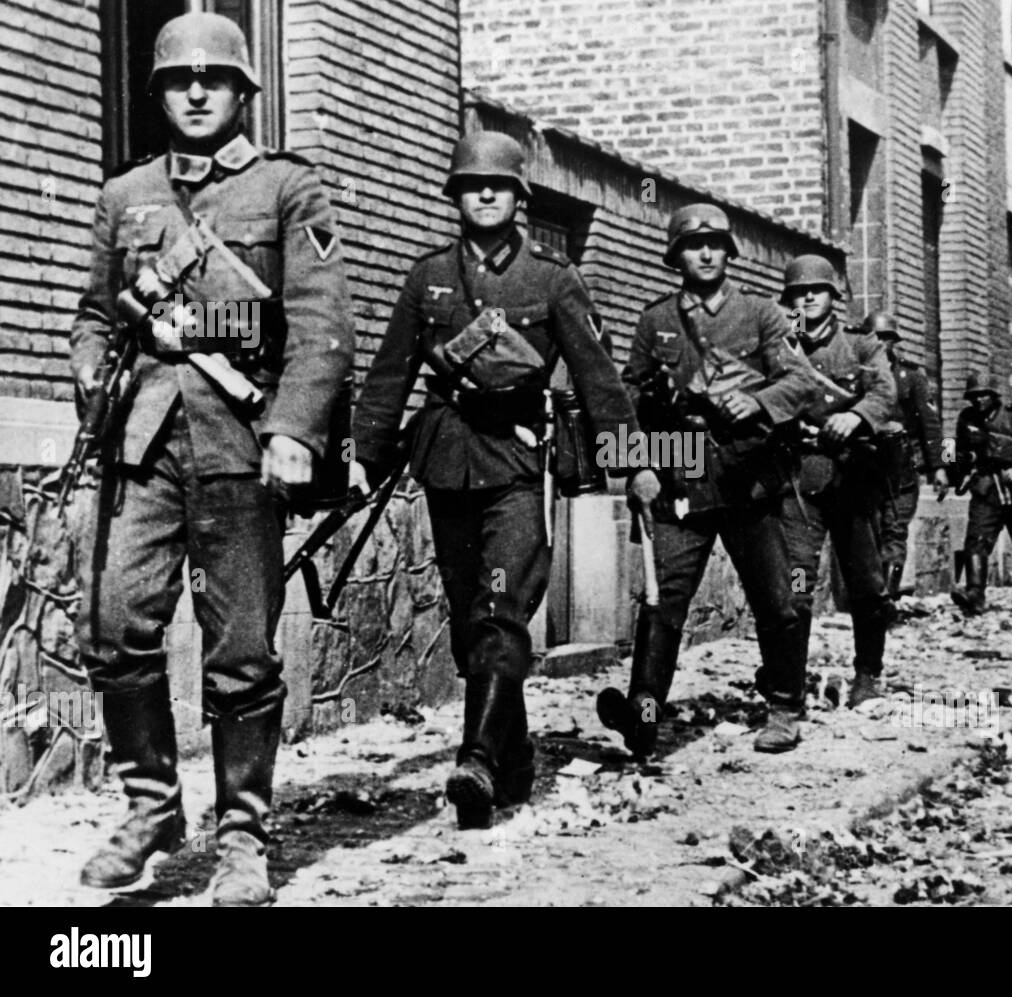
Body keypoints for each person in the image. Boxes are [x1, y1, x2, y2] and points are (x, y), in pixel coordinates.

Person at [71, 12, 354, 905]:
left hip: (243, 441)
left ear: (242, 92)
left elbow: (321, 327)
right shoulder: (126, 196)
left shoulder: (286, 191)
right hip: (144, 440)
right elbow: (92, 314)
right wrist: (88, 372)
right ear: (158, 94)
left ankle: (241, 835)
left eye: (214, 79)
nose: (196, 92)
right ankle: (153, 802)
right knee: (114, 626)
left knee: (239, 654)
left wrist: (296, 430)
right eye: (178, 80)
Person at [350, 131, 658, 828]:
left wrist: (634, 456)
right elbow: (391, 371)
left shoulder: (552, 278)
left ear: (520, 197)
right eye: (470, 184)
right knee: (470, 624)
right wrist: (364, 455)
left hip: (519, 462)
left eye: (498, 185)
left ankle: (478, 760)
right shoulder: (426, 274)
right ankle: (513, 757)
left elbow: (598, 379)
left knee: (500, 607)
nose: (484, 194)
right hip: (445, 456)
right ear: (455, 196)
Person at [595, 204, 818, 756]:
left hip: (747, 467)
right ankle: (643, 715)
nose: (706, 252)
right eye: (694, 245)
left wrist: (759, 400)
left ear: (728, 251)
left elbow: (803, 383)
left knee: (773, 597)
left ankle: (785, 708)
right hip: (682, 463)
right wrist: (636, 467)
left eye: (716, 243)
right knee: (663, 599)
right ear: (676, 256)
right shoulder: (656, 320)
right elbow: (632, 399)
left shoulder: (762, 314)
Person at [778, 255, 896, 706]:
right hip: (798, 481)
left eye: (817, 290)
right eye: (798, 292)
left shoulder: (862, 346)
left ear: (833, 297)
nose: (807, 297)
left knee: (865, 582)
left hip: (852, 478)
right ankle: (787, 681)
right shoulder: (779, 347)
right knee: (796, 583)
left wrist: (856, 416)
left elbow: (885, 393)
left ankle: (868, 673)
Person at [949, 373, 1012, 618]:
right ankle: (974, 595)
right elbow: (953, 447)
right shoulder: (966, 418)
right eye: (974, 396)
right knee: (976, 541)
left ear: (994, 396)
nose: (979, 400)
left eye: (984, 395)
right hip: (987, 486)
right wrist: (948, 467)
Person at [868, 312, 947, 600]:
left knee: (895, 528)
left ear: (893, 342)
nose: (879, 344)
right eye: (874, 338)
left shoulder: (910, 376)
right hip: (868, 464)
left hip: (903, 464)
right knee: (870, 529)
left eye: (885, 338)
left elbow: (931, 423)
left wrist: (939, 467)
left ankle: (886, 599)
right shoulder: (856, 374)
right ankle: (870, 596)